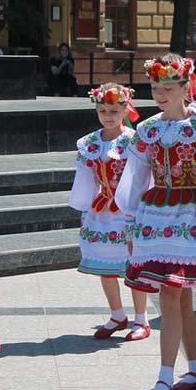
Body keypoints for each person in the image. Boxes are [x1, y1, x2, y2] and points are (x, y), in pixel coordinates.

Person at [115, 55, 196, 390]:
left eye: (168, 88)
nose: (159, 94)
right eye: (155, 88)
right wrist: (130, 224)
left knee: (171, 295)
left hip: (191, 218)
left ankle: (164, 376)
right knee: (179, 298)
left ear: (187, 88)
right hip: (155, 218)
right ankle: (195, 368)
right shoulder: (148, 129)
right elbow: (135, 179)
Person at [69, 83, 151, 341]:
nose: (107, 115)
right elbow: (85, 176)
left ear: (126, 109)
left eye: (114, 110)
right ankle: (117, 314)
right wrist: (84, 206)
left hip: (128, 209)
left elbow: (143, 176)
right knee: (104, 266)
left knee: (133, 265)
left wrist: (142, 209)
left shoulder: (134, 140)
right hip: (102, 208)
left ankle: (141, 318)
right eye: (102, 109)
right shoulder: (90, 142)